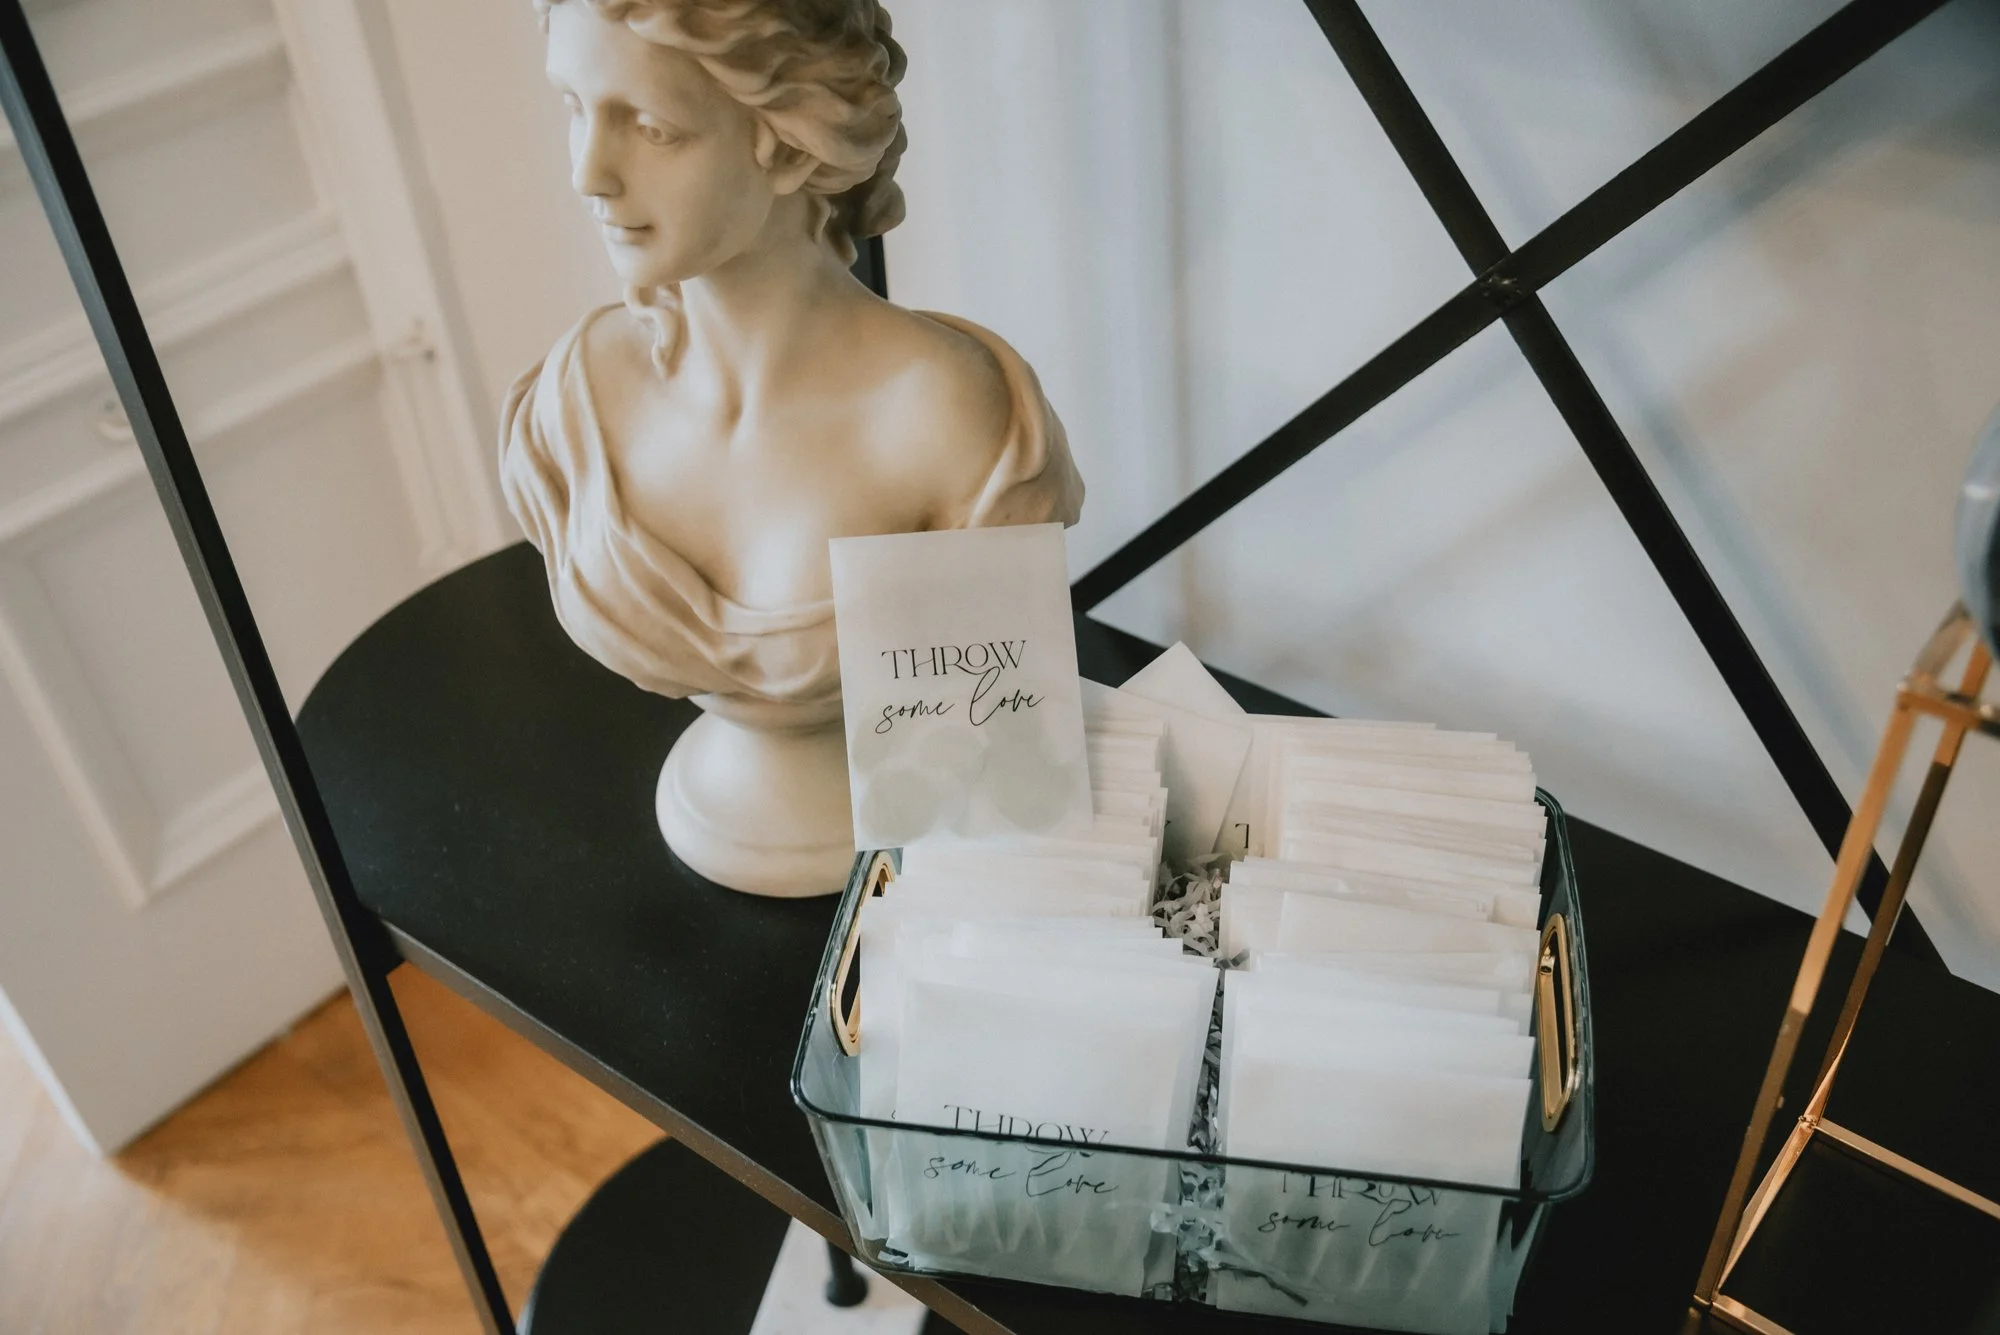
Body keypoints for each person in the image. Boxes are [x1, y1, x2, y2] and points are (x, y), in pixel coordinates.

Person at [501, 0, 1084, 894]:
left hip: (926, 853)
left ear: (795, 143)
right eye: (573, 105)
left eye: (652, 128)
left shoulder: (953, 421)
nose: (589, 173)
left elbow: (1005, 731)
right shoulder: (574, 401)